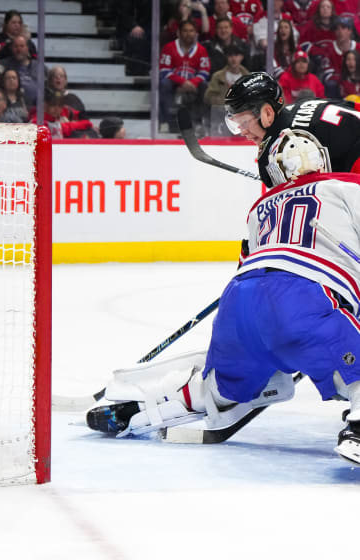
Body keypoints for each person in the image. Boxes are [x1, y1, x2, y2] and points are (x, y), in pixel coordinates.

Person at [85, 128, 360, 467]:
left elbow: (253, 264)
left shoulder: (258, 209)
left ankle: (144, 407)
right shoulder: (347, 187)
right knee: (348, 363)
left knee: (220, 388)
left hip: (239, 303)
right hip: (303, 298)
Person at [223, 71, 360, 188]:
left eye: (245, 122)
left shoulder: (280, 142)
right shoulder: (301, 105)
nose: (243, 131)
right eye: (237, 125)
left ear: (268, 114)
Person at [159, 18, 211, 132]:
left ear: (196, 33)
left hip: (193, 82)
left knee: (205, 86)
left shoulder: (201, 50)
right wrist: (183, 82)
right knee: (163, 84)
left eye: (191, 31)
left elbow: (205, 71)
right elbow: (164, 70)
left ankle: (198, 121)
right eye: (185, 31)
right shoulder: (169, 47)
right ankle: (165, 121)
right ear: (179, 32)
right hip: (174, 81)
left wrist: (192, 82)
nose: (188, 34)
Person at [29, 88, 94, 139]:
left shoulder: (60, 116)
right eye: (53, 105)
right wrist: (67, 125)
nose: (57, 109)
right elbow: (66, 128)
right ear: (45, 105)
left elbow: (86, 121)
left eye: (60, 105)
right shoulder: (37, 121)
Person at [2, 35, 42, 108]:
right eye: (16, 46)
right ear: (11, 48)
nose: (19, 49)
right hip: (12, 107)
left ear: (27, 48)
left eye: (22, 46)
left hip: (37, 108)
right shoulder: (4, 65)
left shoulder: (39, 66)